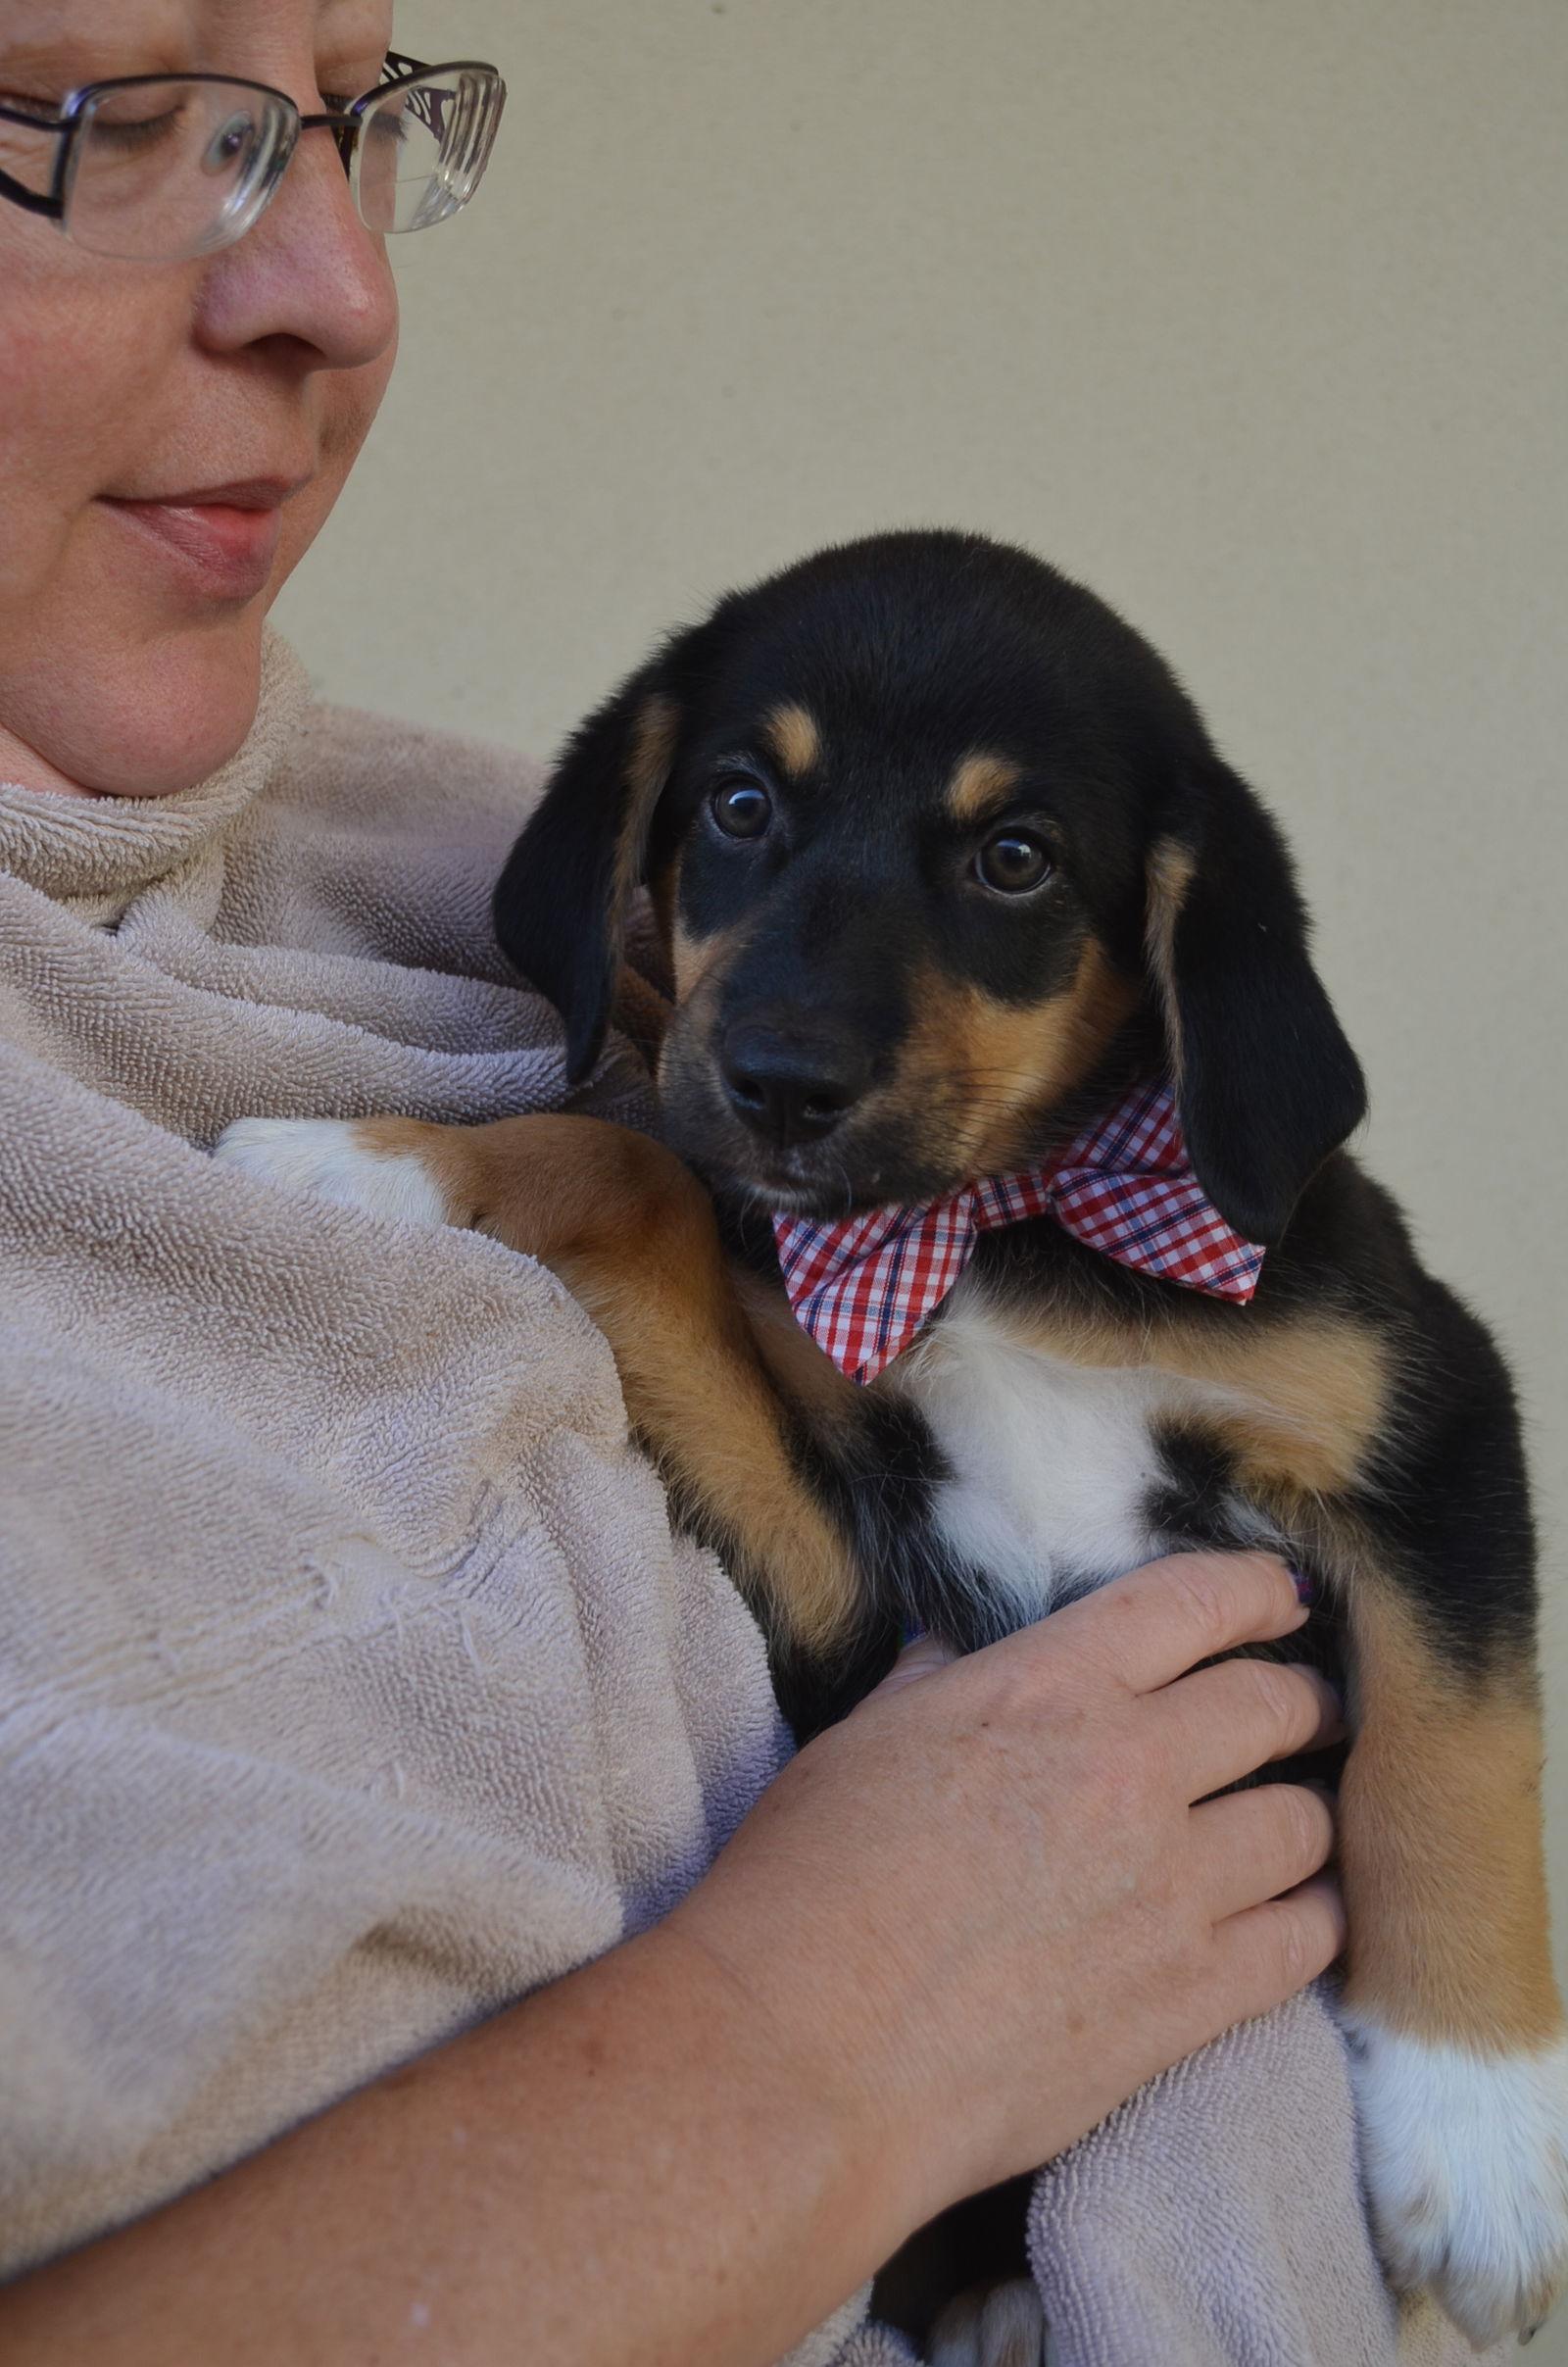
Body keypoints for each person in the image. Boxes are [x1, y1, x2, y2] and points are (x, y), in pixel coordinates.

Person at [0, 7, 1343, 2362]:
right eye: (111, 110)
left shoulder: (542, 889)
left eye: (352, 113)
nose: (337, 278)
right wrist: (813, 2038)